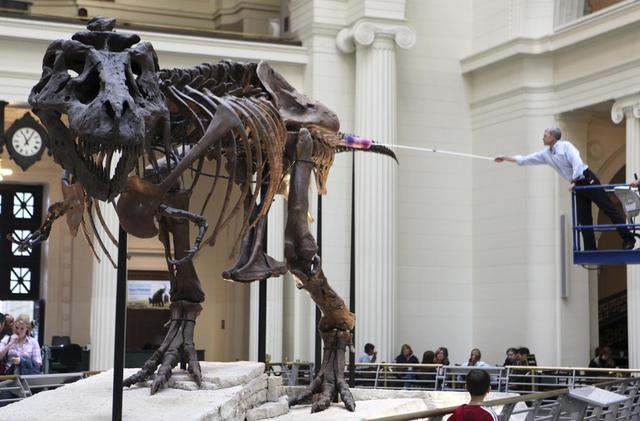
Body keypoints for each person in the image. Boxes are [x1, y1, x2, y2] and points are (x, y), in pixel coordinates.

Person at [495, 127, 635, 251]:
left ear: (553, 137)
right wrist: (505, 158)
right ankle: (590, 248)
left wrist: (574, 180)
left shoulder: (566, 146)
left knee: (608, 208)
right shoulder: (546, 154)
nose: (542, 137)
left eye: (545, 135)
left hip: (587, 178)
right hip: (577, 184)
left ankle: (628, 238)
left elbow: (577, 164)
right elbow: (525, 159)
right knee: (583, 217)